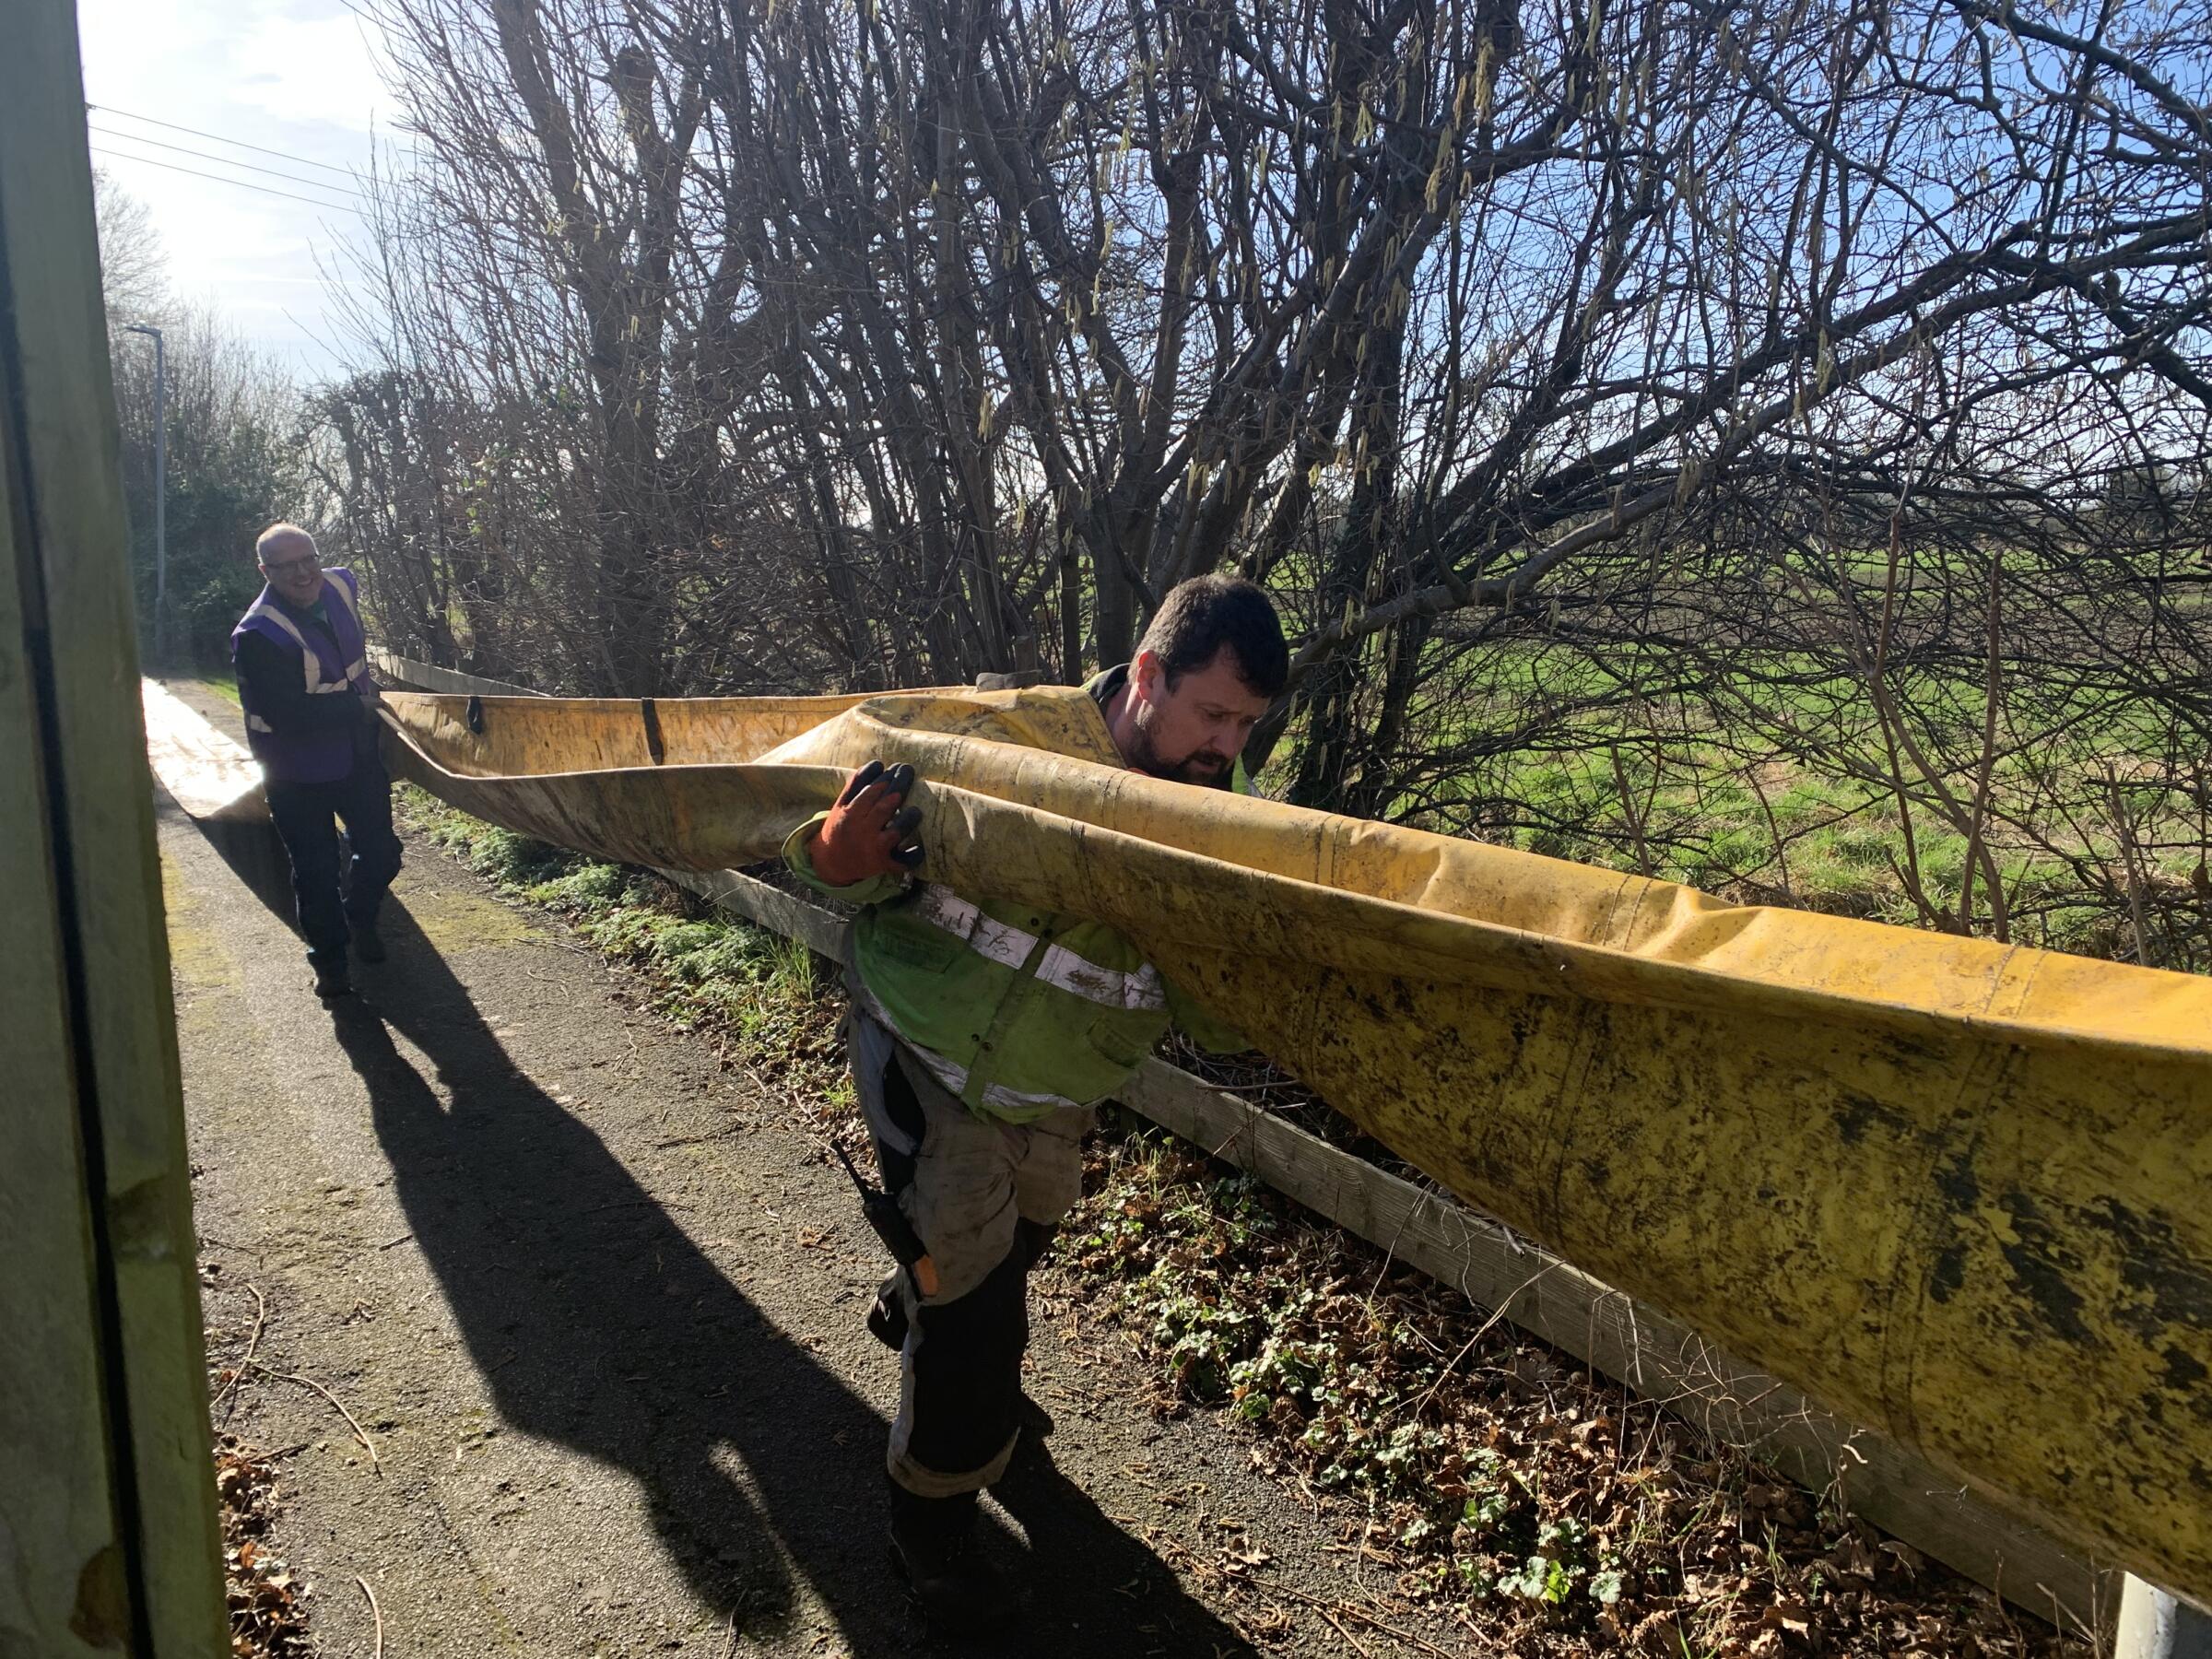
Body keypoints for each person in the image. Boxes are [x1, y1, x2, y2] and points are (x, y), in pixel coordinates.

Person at [783, 574, 1288, 1632]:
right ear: (1147, 676)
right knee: (976, 1331)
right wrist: (832, 858)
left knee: (1012, 1254)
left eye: (1246, 725)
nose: (1225, 746)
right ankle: (930, 1531)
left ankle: (916, 1298)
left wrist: (1225, 953)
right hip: (922, 1050)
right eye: (1211, 713)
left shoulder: (1218, 822)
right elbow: (858, 858)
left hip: (1054, 1101)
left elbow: (1227, 1021)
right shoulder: (1007, 741)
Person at [229, 523, 401, 999]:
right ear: (265, 571)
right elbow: (282, 713)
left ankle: (359, 918)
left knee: (383, 852)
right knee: (316, 871)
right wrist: (356, 705)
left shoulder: (341, 582)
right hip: (293, 770)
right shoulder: (257, 633)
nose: (304, 574)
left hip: (357, 755)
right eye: (287, 567)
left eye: (309, 560)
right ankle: (330, 965)